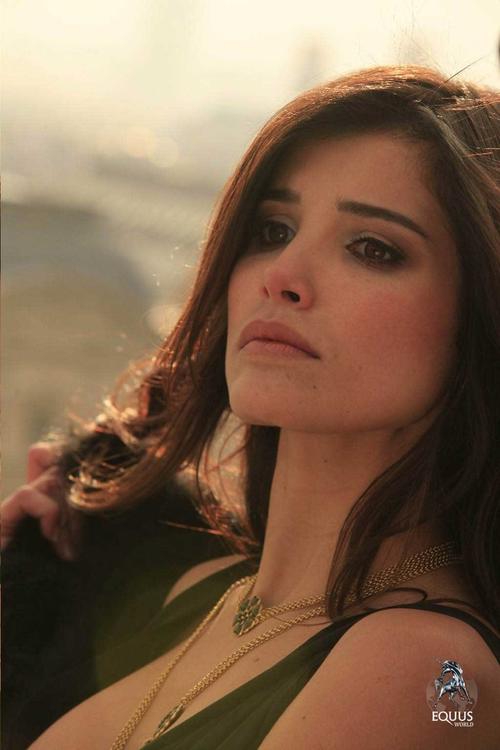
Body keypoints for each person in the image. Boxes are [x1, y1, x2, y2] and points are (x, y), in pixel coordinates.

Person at [2, 65, 500, 750]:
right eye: (272, 231)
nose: (282, 276)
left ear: (479, 319)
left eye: (373, 249)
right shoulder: (191, 590)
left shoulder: (431, 673)